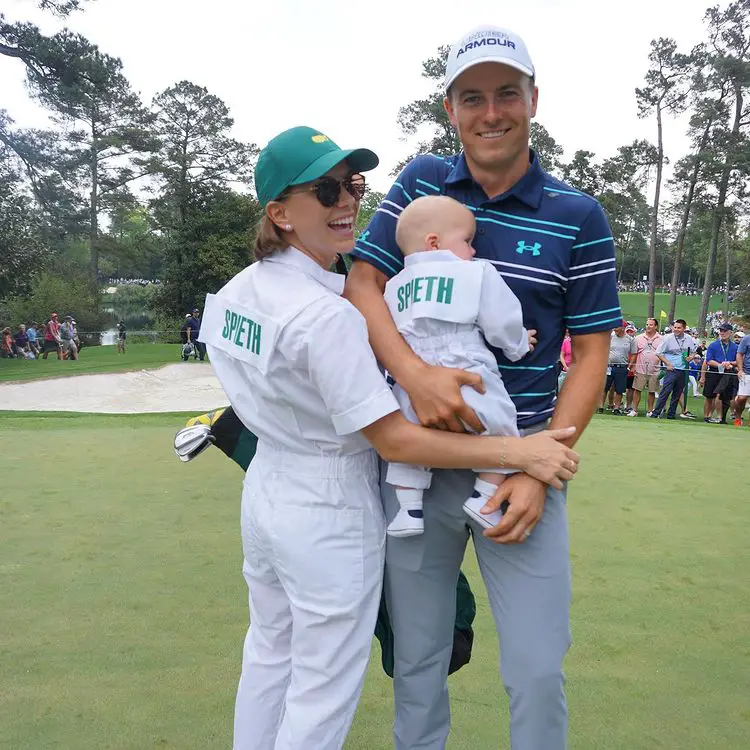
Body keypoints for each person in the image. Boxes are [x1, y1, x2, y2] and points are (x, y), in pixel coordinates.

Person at [198, 125, 580, 750]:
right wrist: (516, 451)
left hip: (269, 490)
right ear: (280, 213)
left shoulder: (236, 294)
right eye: (325, 190)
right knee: (321, 689)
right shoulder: (326, 316)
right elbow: (397, 440)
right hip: (326, 502)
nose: (346, 202)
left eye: (352, 185)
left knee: (270, 655)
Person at [344, 25, 619, 750]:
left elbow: (590, 355)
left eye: (506, 94)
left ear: (533, 99)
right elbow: (362, 283)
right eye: (473, 98)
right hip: (417, 464)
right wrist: (417, 375)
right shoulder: (420, 181)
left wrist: (538, 468)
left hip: (518, 473)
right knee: (419, 659)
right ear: (450, 108)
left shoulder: (577, 215)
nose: (490, 112)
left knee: (534, 669)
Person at [382, 194, 535, 537]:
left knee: (412, 442)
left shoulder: (393, 286)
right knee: (502, 425)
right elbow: (500, 321)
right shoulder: (475, 272)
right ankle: (484, 495)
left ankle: (409, 509)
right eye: (467, 241)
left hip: (414, 380)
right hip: (465, 365)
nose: (473, 250)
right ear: (434, 243)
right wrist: (519, 344)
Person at [649, 319, 697, 419]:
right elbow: (658, 353)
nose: (676, 329)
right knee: (666, 391)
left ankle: (671, 414)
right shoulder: (667, 338)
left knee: (678, 393)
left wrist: (691, 357)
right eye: (675, 327)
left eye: (679, 328)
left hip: (683, 369)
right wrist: (668, 364)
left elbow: (694, 352)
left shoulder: (688, 338)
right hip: (671, 369)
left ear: (684, 328)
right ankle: (656, 413)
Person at [701, 322, 739, 424]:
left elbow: (738, 360)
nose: (722, 333)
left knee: (724, 396)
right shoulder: (713, 345)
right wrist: (720, 365)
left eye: (725, 331)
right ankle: (706, 416)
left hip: (728, 372)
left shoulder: (735, 347)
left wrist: (729, 363)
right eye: (721, 331)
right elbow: (709, 360)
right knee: (709, 396)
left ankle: (721, 418)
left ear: (730, 332)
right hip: (714, 371)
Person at [600, 321, 636, 415]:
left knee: (619, 389)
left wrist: (629, 365)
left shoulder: (630, 339)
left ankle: (616, 408)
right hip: (609, 367)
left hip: (622, 367)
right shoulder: (610, 337)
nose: (615, 328)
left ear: (623, 327)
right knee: (604, 388)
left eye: (617, 326)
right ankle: (600, 407)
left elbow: (633, 353)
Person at [630, 317, 662, 417]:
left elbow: (663, 354)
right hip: (640, 368)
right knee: (637, 389)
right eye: (647, 324)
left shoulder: (661, 339)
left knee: (652, 391)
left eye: (651, 325)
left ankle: (649, 411)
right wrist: (633, 366)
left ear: (656, 326)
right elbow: (634, 353)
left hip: (655, 369)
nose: (648, 326)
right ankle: (634, 410)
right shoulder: (638, 338)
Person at [734, 330, 750, 426]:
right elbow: (739, 354)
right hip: (747, 372)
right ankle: (738, 417)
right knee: (741, 398)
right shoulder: (746, 339)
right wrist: (740, 370)